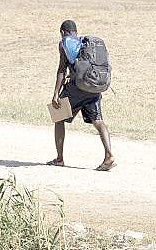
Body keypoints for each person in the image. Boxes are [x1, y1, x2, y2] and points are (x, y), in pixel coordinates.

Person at [49, 20, 115, 171]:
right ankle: (109, 155)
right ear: (76, 31)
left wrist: (55, 94)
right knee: (98, 120)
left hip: (77, 88)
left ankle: (59, 159)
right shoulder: (87, 44)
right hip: (95, 87)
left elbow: (61, 70)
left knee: (58, 116)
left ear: (62, 32)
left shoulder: (65, 43)